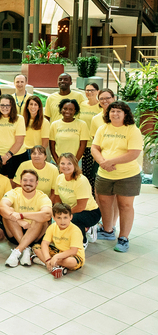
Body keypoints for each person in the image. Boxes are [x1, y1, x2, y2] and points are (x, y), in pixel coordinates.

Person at [91, 101, 142, 253]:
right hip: (104, 174)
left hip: (127, 175)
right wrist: (102, 162)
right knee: (104, 203)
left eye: (119, 111)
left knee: (125, 206)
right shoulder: (103, 128)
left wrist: (110, 162)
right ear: (108, 113)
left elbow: (134, 153)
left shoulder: (132, 130)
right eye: (112, 111)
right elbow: (95, 148)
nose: (115, 114)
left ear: (125, 114)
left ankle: (124, 238)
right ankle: (107, 231)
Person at [1, 170, 53, 268]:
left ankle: (18, 250)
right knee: (9, 211)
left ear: (37, 183)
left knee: (39, 218)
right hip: (15, 233)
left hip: (35, 234)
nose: (28, 183)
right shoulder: (13, 192)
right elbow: (2, 207)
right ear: (20, 181)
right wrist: (19, 220)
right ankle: (26, 249)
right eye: (25, 180)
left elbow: (47, 214)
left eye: (31, 180)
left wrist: (21, 215)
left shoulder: (42, 196)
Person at [53, 153, 101, 247]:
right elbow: (57, 199)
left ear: (75, 165)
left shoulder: (81, 180)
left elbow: (81, 206)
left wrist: (64, 215)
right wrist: (57, 213)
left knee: (72, 219)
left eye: (69, 163)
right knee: (58, 218)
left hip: (90, 212)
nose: (65, 166)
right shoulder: (59, 178)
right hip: (70, 210)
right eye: (62, 163)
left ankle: (82, 241)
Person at [33, 203, 85, 278]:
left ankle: (44, 262)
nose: (62, 221)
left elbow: (73, 251)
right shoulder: (52, 227)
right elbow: (45, 243)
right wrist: (47, 259)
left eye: (65, 217)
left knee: (72, 262)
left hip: (74, 256)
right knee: (36, 247)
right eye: (59, 218)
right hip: (58, 251)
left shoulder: (75, 231)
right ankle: (51, 264)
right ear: (54, 218)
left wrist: (56, 256)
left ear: (71, 217)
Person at [0, 94, 28, 180]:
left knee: (15, 185)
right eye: (2, 105)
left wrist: (6, 157)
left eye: (7, 105)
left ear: (12, 106)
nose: (4, 107)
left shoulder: (19, 119)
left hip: (16, 156)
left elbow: (19, 141)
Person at [49, 99, 88, 165]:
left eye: (71, 109)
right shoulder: (54, 124)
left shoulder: (82, 124)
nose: (67, 111)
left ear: (75, 111)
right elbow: (52, 147)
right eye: (65, 108)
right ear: (61, 109)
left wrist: (74, 163)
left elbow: (82, 146)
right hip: (57, 161)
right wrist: (59, 162)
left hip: (76, 162)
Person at [79, 83, 102, 181]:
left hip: (96, 144)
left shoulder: (100, 106)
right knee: (84, 173)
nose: (89, 92)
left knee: (94, 173)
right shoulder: (81, 105)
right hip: (83, 143)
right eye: (87, 90)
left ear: (97, 91)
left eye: (92, 90)